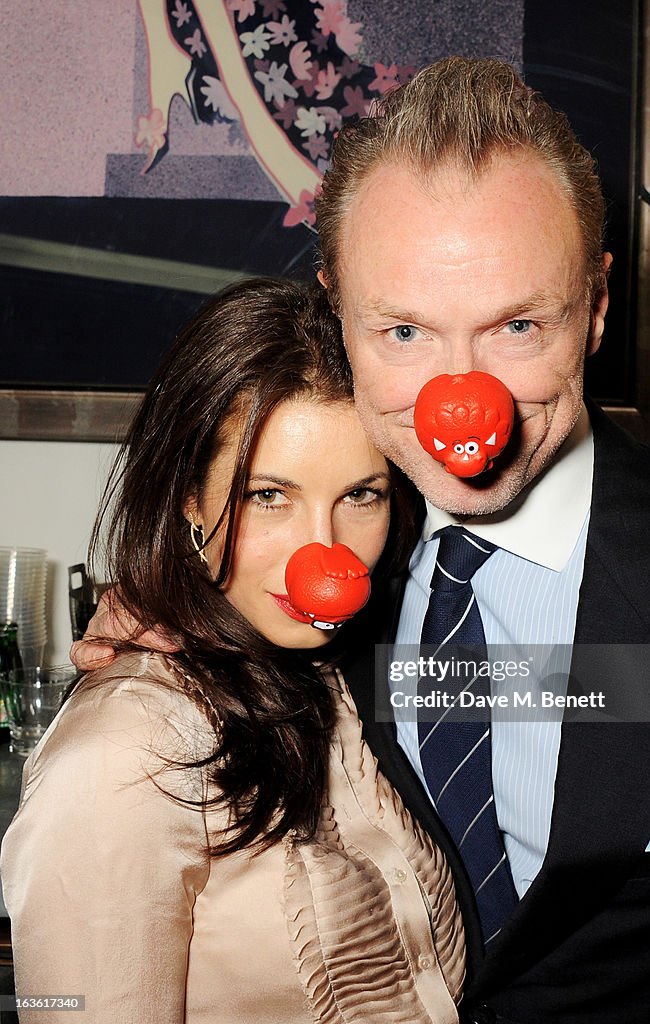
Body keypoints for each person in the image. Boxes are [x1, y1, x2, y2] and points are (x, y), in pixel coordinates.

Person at [72, 58, 650, 1022]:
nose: (466, 405)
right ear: (336, 312)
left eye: (517, 326)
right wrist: (178, 604)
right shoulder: (313, 578)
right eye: (403, 332)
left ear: (598, 307)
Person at [0, 277, 465, 1023]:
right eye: (266, 496)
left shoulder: (352, 670)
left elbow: (647, 691)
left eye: (361, 495)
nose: (323, 555)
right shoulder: (122, 755)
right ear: (190, 498)